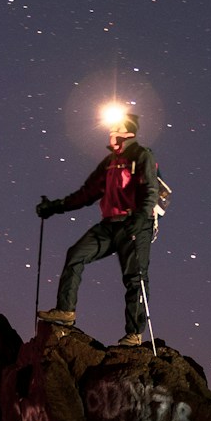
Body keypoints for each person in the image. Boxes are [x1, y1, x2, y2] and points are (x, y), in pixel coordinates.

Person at [34, 106, 165, 348]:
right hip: (110, 225)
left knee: (134, 277)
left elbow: (150, 190)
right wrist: (54, 207)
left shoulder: (142, 155)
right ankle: (66, 312)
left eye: (115, 128)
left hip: (135, 224)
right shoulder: (109, 163)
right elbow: (86, 193)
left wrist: (141, 218)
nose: (111, 132)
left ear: (127, 132)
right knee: (76, 254)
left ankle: (134, 334)